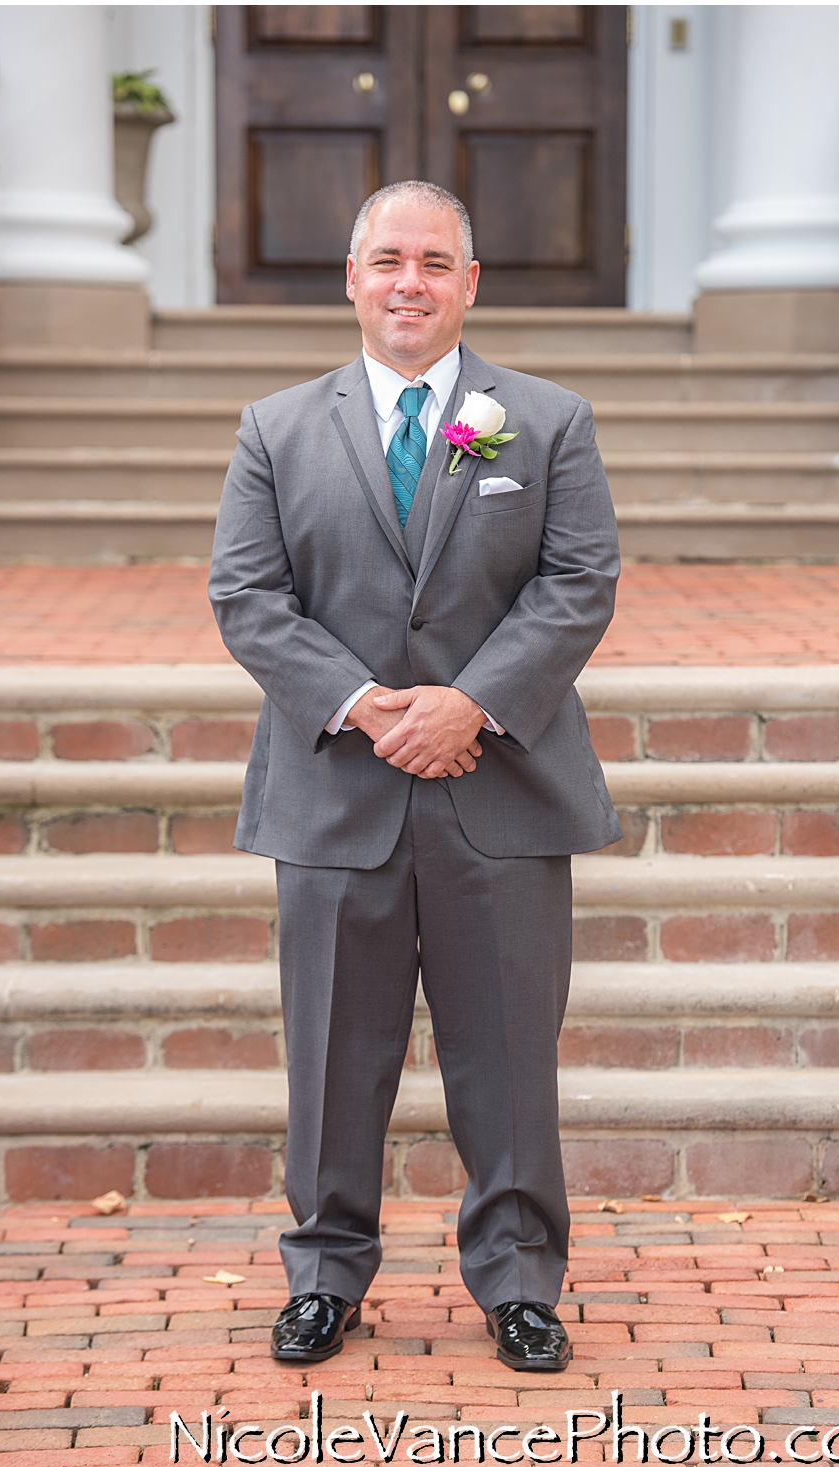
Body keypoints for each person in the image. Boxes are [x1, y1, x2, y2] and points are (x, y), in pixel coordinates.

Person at [208, 182, 621, 1375]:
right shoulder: (274, 429)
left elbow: (573, 582)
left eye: (434, 263)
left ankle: (516, 1280)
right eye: (387, 259)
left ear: (468, 283)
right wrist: (363, 707)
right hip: (336, 792)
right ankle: (324, 1273)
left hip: (499, 793)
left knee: (507, 1055)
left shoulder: (540, 421)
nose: (408, 282)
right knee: (332, 1059)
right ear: (350, 278)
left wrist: (469, 705)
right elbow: (247, 595)